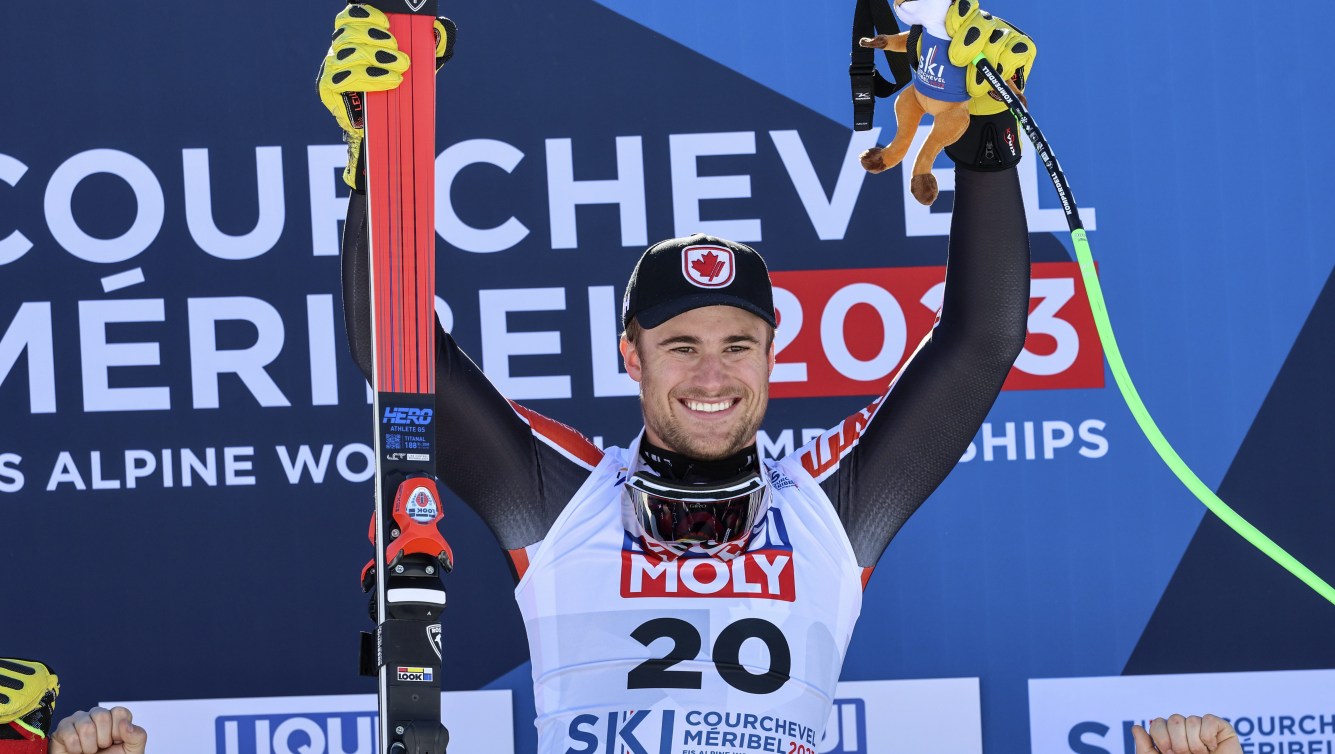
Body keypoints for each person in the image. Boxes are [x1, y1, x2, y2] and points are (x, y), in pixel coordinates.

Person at [319, 3, 1035, 751]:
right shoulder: (560, 501)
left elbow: (981, 342)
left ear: (771, 354)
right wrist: (379, 153)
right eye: (681, 345)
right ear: (632, 356)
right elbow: (402, 358)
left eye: (737, 344)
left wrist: (987, 136)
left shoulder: (831, 510)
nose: (711, 374)